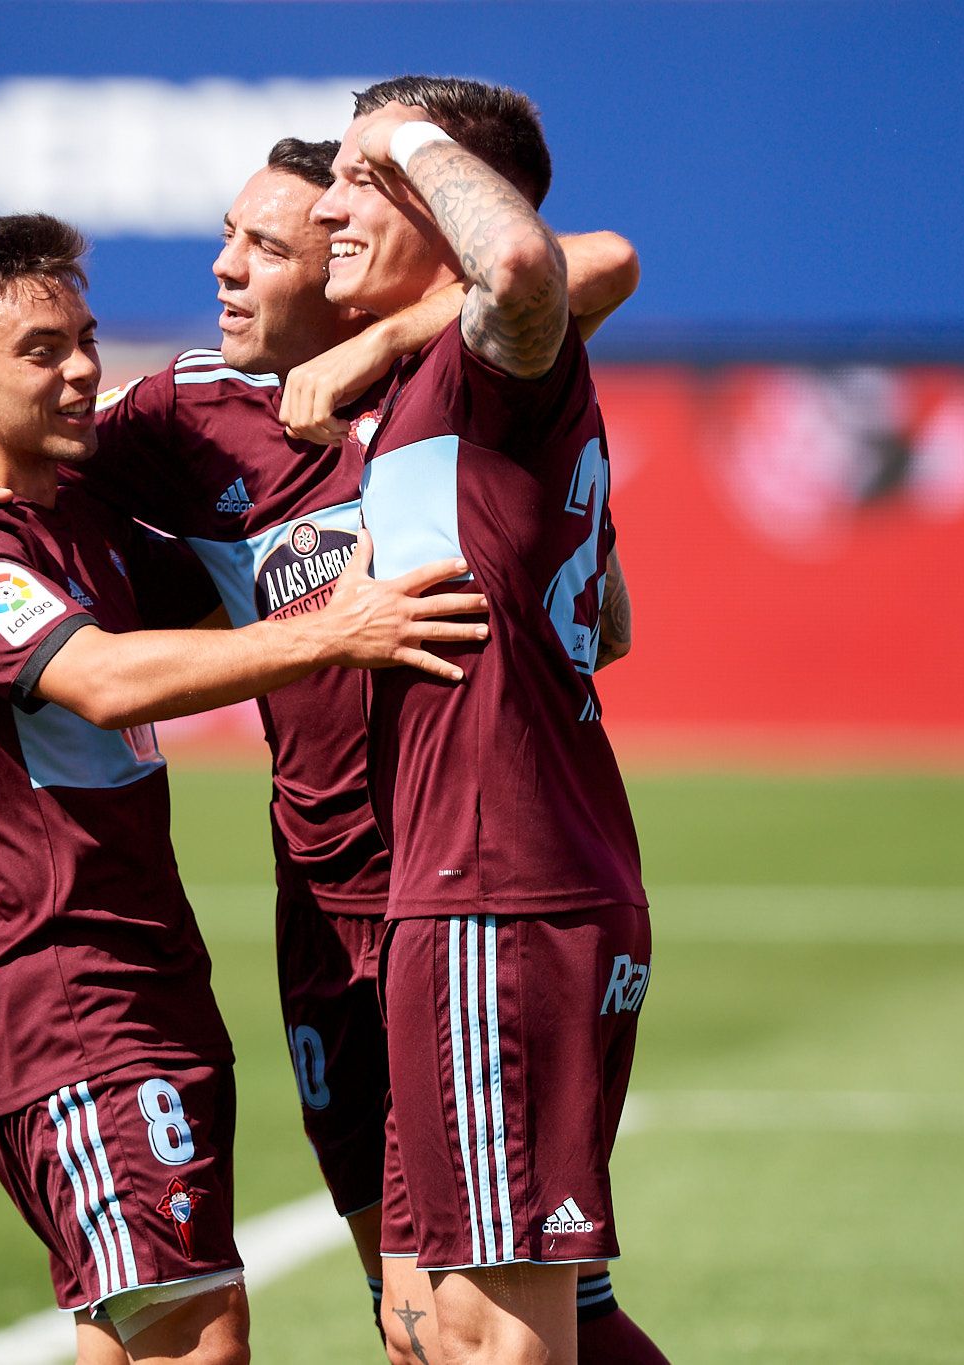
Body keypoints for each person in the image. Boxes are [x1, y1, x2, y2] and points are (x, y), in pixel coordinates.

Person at [0, 139, 644, 1365]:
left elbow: (588, 262)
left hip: (467, 890)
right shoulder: (192, 413)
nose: (224, 270)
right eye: (226, 238)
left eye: (265, 247)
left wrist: (387, 342)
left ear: (347, 266)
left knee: (485, 1324)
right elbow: (2, 438)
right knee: (419, 1325)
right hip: (326, 915)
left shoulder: (464, 370)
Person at [309, 77, 668, 1365]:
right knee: (449, 1328)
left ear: (440, 191)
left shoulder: (484, 362)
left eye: (358, 180)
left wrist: (406, 139)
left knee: (491, 1342)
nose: (329, 208)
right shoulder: (450, 380)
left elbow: (523, 259)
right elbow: (606, 621)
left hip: (494, 889)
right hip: (498, 882)